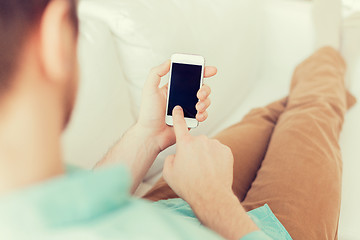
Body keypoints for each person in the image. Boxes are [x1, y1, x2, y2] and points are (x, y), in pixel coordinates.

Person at [0, 1, 356, 240]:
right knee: (316, 104)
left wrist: (148, 135)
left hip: (173, 201)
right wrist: (213, 200)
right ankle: (327, 60)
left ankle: (299, 96)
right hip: (250, 228)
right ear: (56, 37)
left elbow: (75, 204)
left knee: (268, 115)